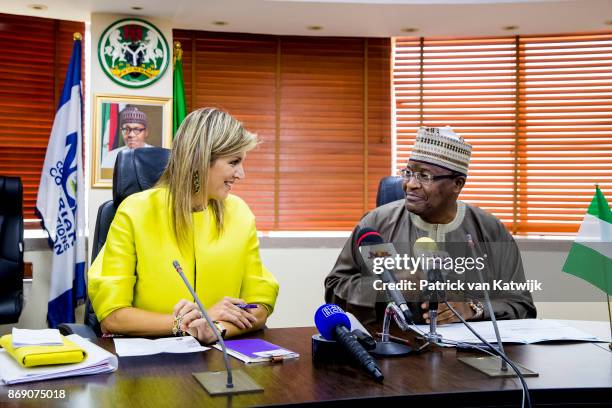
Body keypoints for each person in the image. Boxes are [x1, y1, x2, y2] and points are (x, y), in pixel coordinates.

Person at [89, 107, 279, 343]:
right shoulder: (135, 212)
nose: (241, 173)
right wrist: (191, 323)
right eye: (233, 162)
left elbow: (259, 303)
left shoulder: (239, 213)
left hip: (221, 356)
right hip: (149, 360)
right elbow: (113, 316)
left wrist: (214, 328)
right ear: (200, 160)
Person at [325, 126, 536, 325]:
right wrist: (390, 287)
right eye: (408, 172)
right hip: (394, 349)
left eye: (424, 176)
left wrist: (473, 309)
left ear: (457, 184)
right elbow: (334, 292)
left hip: (470, 355)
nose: (410, 184)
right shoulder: (376, 224)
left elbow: (522, 305)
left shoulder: (490, 230)